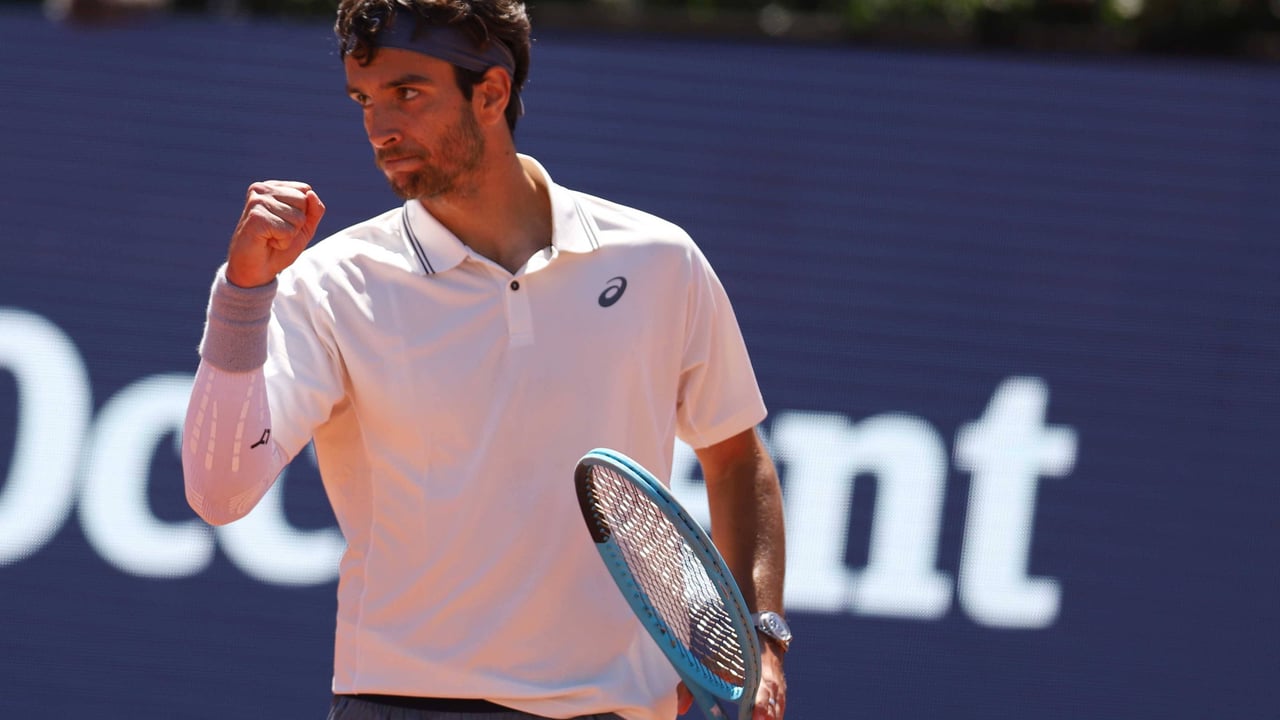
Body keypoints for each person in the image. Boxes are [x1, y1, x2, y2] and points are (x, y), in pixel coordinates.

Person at [181, 0, 789, 717]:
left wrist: (757, 639)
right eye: (364, 99)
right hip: (405, 702)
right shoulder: (329, 283)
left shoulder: (660, 260)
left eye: (407, 93)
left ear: (492, 93)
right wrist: (244, 294)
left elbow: (735, 457)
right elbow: (219, 494)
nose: (380, 127)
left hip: (617, 706)